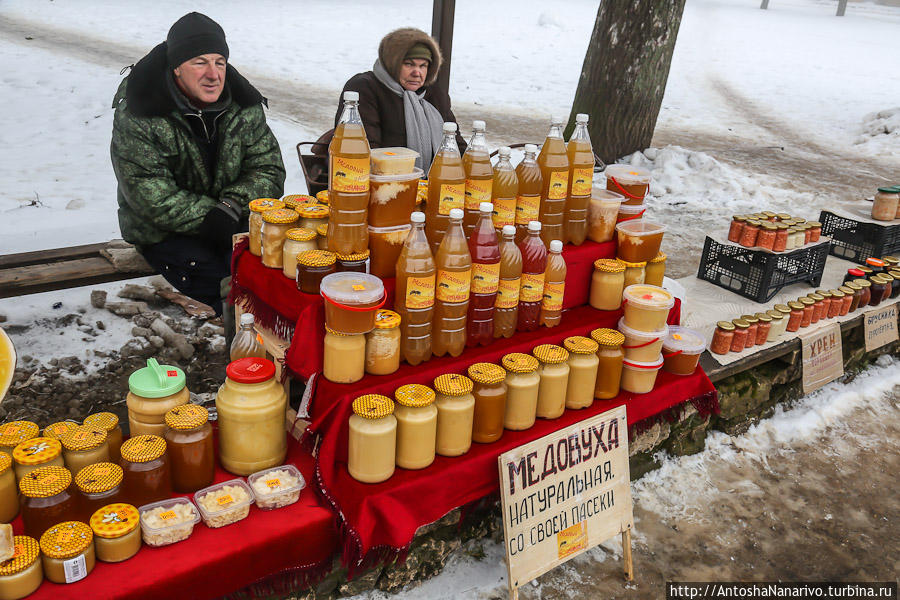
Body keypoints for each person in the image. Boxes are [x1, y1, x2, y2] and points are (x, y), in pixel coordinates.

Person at [110, 12, 285, 314]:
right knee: (230, 292)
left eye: (219, 62)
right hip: (164, 231)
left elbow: (268, 169)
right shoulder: (141, 110)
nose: (213, 74)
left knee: (275, 277)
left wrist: (231, 205)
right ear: (176, 67)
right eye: (200, 62)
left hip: (232, 217)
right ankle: (246, 356)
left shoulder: (243, 105)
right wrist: (211, 216)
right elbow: (148, 193)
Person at [335, 27, 466, 171]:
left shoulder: (435, 95)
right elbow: (363, 151)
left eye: (423, 66)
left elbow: (455, 144)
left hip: (430, 184)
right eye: (409, 64)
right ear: (393, 63)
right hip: (378, 180)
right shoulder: (365, 88)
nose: (417, 73)